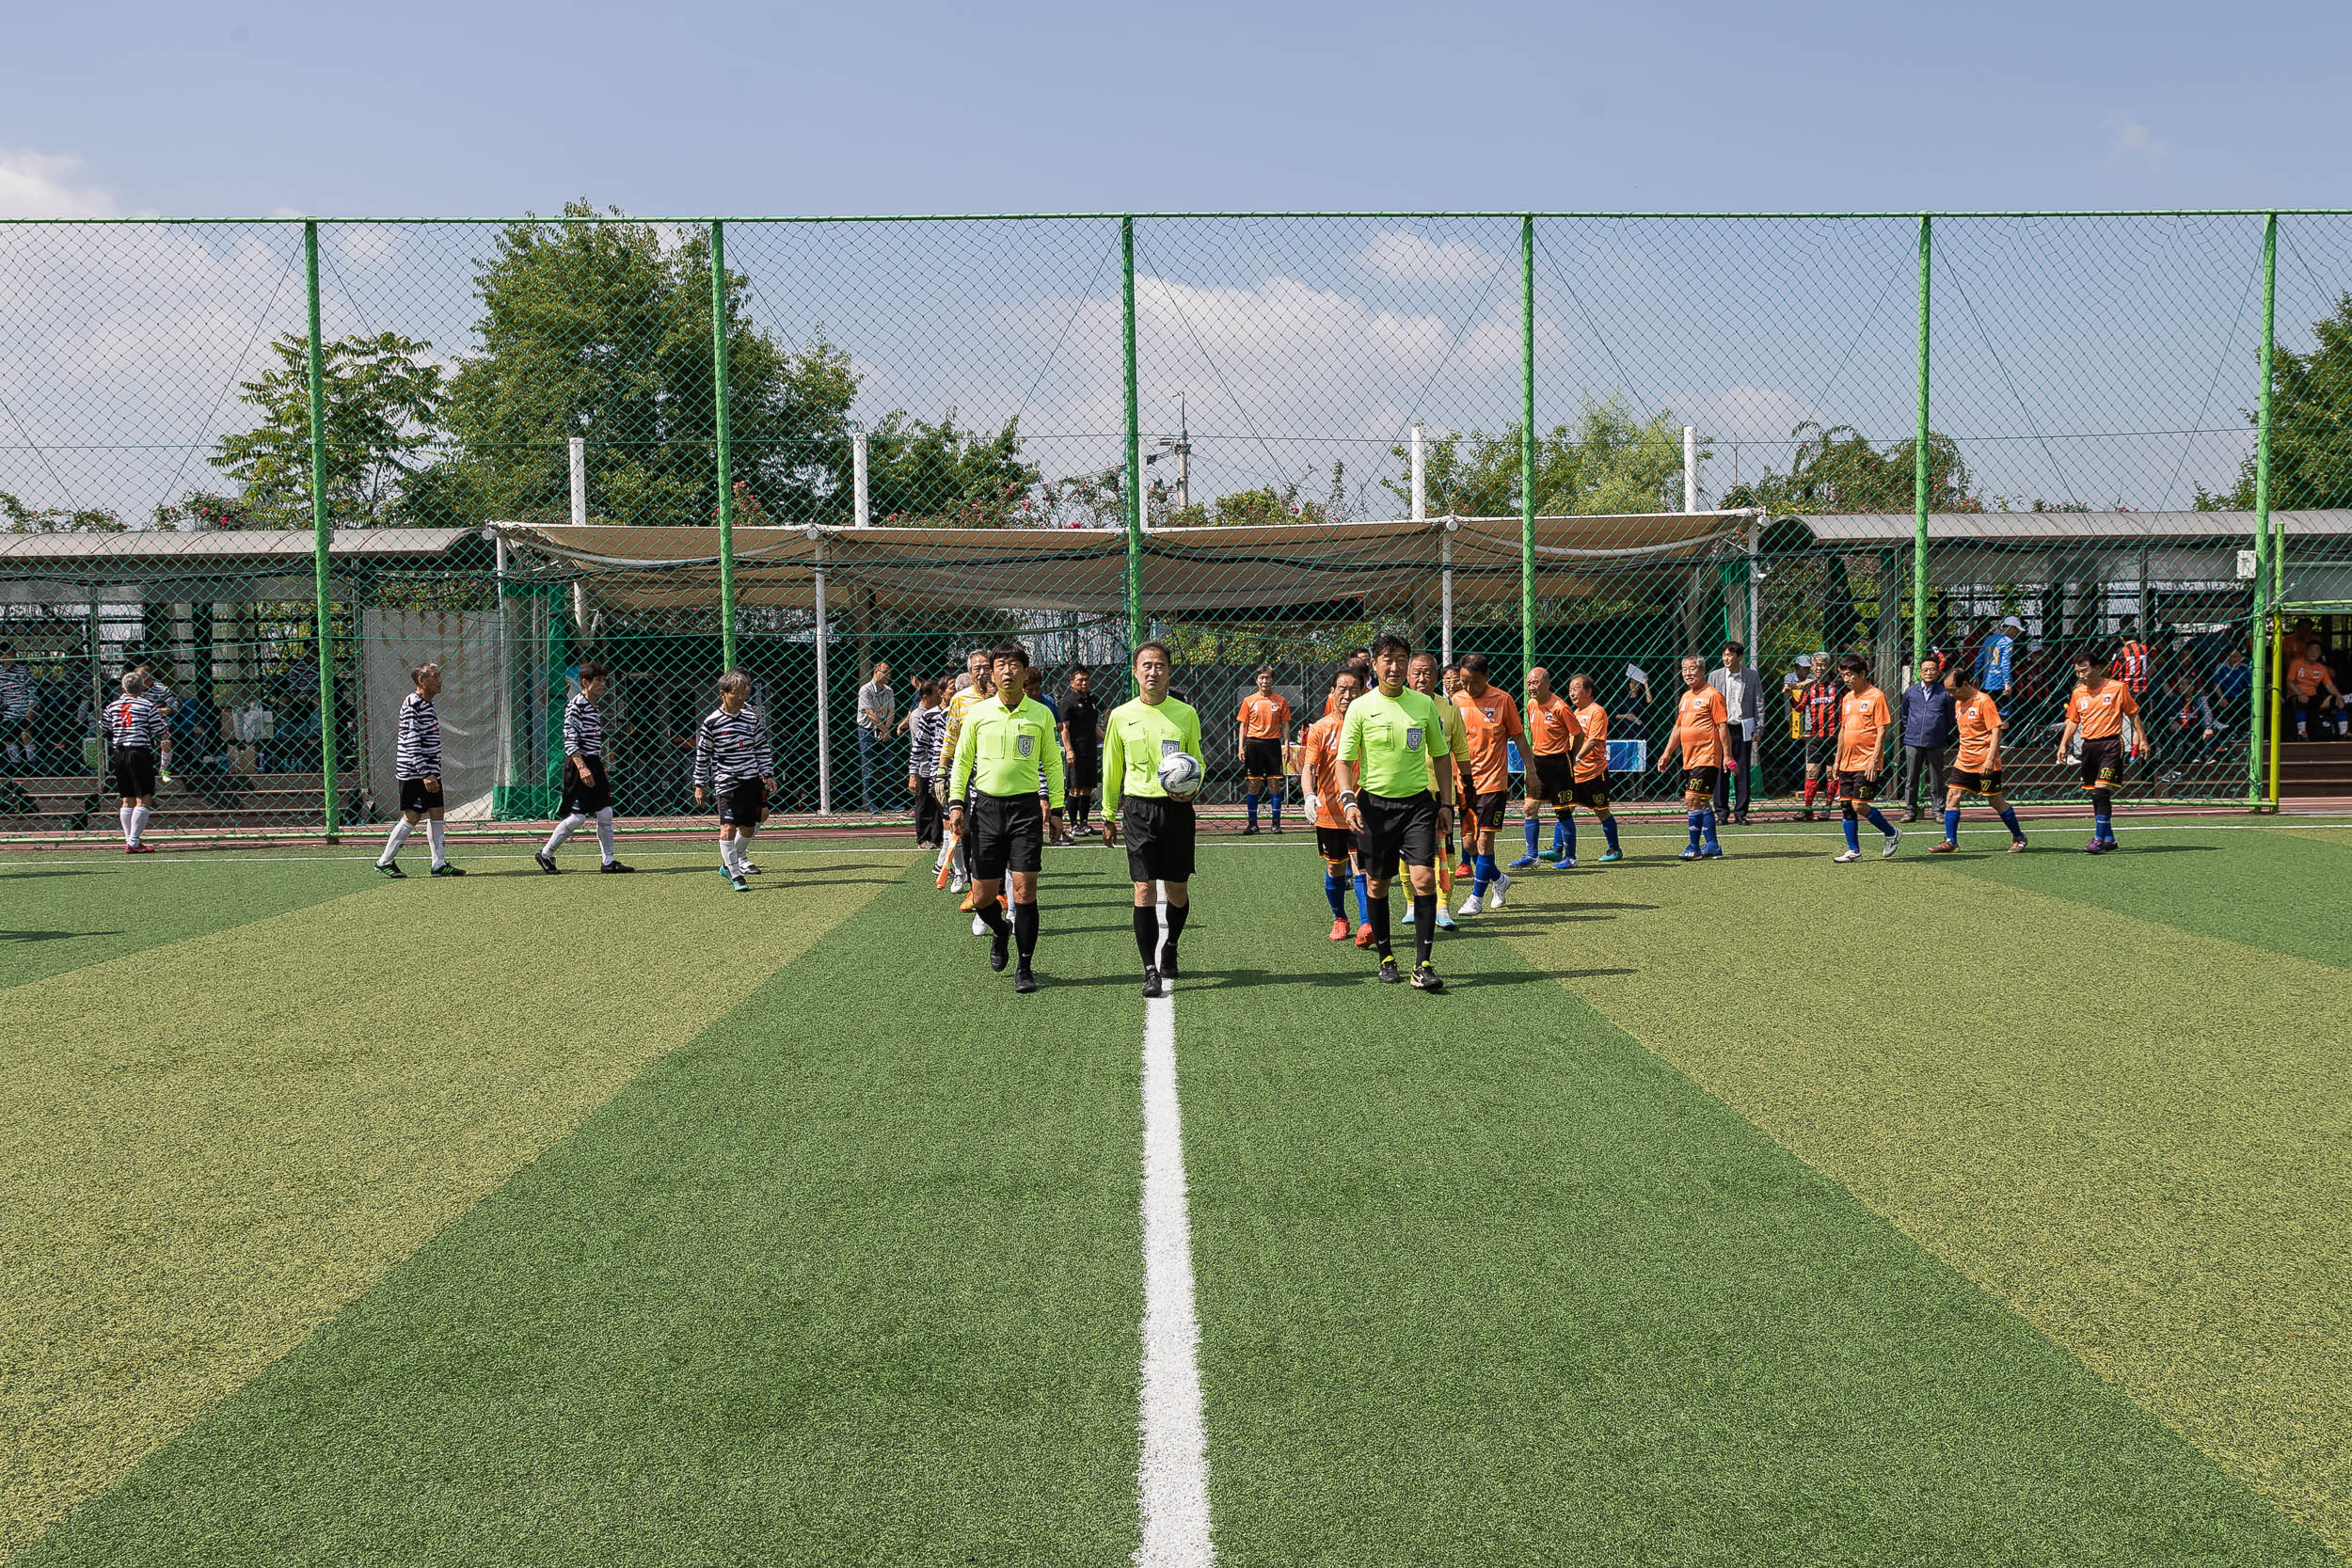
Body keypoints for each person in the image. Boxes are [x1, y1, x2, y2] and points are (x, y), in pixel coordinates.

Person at [1338, 632, 1453, 990]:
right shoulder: (1360, 706)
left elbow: (1441, 756)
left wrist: (1446, 803)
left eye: (1401, 659)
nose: (1395, 666)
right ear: (1374, 664)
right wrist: (1348, 799)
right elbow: (1345, 761)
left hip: (1418, 804)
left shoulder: (1424, 705)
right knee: (1377, 882)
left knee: (1423, 879)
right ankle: (1386, 956)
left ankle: (1424, 963)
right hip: (1373, 806)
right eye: (1387, 659)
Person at [948, 643, 1064, 993]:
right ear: (992, 673)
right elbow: (962, 761)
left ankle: (1025, 967)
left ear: (1025, 672)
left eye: (1014, 665)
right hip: (985, 811)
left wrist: (1056, 809)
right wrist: (956, 804)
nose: (1007, 671)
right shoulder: (978, 715)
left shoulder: (1041, 714)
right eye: (1001, 666)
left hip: (1025, 811)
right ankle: (1000, 932)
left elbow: (1053, 763)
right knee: (983, 897)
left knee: (1025, 890)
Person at [1101, 641, 1202, 997]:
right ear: (1135, 671)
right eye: (1146, 666)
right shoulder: (1120, 715)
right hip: (1138, 810)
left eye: (1159, 665)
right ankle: (1149, 969)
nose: (1153, 672)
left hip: (1176, 811)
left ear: (1168, 671)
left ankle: (1171, 943)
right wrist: (1108, 814)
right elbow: (1112, 768)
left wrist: (1191, 789)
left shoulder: (1186, 713)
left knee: (1176, 892)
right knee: (1143, 889)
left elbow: (1198, 762)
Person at [1443, 652, 1524, 914]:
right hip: (1464, 783)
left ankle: (1476, 898)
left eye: (1472, 682)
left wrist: (1531, 772)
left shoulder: (1503, 700)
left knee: (1484, 842)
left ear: (1486, 677)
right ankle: (1499, 880)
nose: (1467, 687)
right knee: (1468, 844)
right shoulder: (1455, 701)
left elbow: (1520, 738)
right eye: (1463, 681)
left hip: (1494, 782)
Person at [535, 661, 633, 874]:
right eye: (598, 681)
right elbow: (570, 741)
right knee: (578, 817)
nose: (602, 684)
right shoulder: (576, 705)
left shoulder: (594, 706)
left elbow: (593, 742)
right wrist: (583, 768)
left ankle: (608, 861)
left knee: (605, 812)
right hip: (579, 764)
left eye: (603, 680)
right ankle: (545, 853)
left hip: (594, 762)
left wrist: (599, 765)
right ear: (584, 683)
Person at [1300, 666, 1373, 946]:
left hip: (1361, 810)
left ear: (1363, 692)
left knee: (1361, 868)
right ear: (1332, 693)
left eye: (1353, 690)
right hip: (1329, 812)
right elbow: (1309, 768)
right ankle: (1340, 918)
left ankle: (1367, 924)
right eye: (1341, 689)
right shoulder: (1320, 728)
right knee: (1335, 869)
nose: (1347, 695)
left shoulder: (1369, 725)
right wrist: (1308, 795)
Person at [691, 669, 774, 892]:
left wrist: (767, 773)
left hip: (751, 780)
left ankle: (730, 863)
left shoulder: (751, 718)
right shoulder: (712, 722)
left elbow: (761, 748)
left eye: (743, 692)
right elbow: (702, 755)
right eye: (735, 693)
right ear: (723, 694)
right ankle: (735, 872)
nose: (741, 697)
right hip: (726, 782)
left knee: (748, 827)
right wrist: (699, 784)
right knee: (727, 827)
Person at [375, 662, 463, 879]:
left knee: (437, 812)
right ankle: (384, 861)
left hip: (430, 772)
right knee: (412, 815)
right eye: (435, 676)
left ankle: (439, 864)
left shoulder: (428, 704)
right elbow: (411, 741)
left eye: (439, 675)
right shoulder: (412, 704)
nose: (440, 680)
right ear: (421, 681)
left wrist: (432, 772)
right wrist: (424, 772)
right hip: (415, 773)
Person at [1931, 663, 2027, 853]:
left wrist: (1990, 760)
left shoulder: (1984, 701)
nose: (1951, 695)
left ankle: (2019, 837)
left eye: (1953, 690)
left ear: (1965, 684)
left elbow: (1996, 730)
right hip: (1964, 761)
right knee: (1952, 796)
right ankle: (1950, 841)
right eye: (1948, 690)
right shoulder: (1959, 703)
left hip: (1985, 762)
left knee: (1995, 801)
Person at [2056, 650, 2141, 854]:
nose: (2081, 675)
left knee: (2102, 791)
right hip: (2088, 747)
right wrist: (2063, 744)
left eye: (2084, 671)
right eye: (2077, 672)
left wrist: (2141, 738)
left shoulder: (2117, 688)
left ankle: (2098, 839)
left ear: (2096, 668)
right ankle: (2109, 838)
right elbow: (2073, 721)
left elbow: (2133, 713)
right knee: (2095, 794)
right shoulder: (2078, 693)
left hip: (2111, 745)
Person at [1404, 652, 1466, 930]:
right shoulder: (1398, 706)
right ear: (1407, 676)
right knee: (1404, 852)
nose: (1421, 678)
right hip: (1404, 791)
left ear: (1437, 677)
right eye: (1416, 672)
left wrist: (1468, 786)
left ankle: (1443, 906)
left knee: (1444, 849)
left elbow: (1461, 752)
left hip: (1439, 793)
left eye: (1427, 672)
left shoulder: (1449, 709)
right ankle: (1411, 904)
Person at [1654, 655, 1729, 860]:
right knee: (1703, 802)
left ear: (1702, 671)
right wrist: (1667, 753)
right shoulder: (1686, 697)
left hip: (1707, 757)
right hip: (1689, 758)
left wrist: (1727, 756)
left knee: (1691, 799)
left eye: (1692, 668)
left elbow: (1722, 725)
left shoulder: (1713, 696)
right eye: (1684, 669)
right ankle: (1713, 846)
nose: (1687, 673)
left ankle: (1694, 847)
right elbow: (1678, 726)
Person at [934, 647, 995, 897]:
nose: (982, 672)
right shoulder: (960, 700)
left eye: (986, 667)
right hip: (968, 771)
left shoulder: (1003, 696)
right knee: (967, 830)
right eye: (976, 668)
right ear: (969, 673)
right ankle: (972, 883)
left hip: (995, 771)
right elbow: (950, 736)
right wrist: (941, 770)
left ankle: (999, 888)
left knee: (993, 832)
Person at [1830, 654, 1901, 863]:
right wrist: (1837, 760)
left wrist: (1874, 759)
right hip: (1847, 761)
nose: (1847, 679)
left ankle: (1891, 832)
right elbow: (1843, 730)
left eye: (1851, 675)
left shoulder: (1876, 696)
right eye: (1843, 675)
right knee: (1845, 806)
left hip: (1866, 761)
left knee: (1859, 804)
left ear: (1862, 674)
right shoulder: (1847, 698)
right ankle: (1854, 852)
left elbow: (1882, 730)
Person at [1510, 665, 1581, 870]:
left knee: (1562, 812)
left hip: (1559, 763)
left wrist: (1571, 756)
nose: (1531, 687)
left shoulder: (1560, 707)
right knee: (1529, 808)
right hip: (1538, 762)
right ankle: (1532, 856)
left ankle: (1571, 857)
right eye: (1529, 683)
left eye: (1535, 682)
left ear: (1547, 684)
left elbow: (1578, 734)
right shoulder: (1531, 704)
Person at [102, 671, 167, 852]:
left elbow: (104, 727)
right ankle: (133, 841)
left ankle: (131, 841)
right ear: (143, 687)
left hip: (119, 753)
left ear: (123, 688)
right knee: (144, 797)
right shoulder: (147, 705)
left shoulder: (112, 706)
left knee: (126, 798)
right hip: (140, 753)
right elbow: (159, 729)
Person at [1562, 673, 1623, 865]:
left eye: (1576, 688)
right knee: (1564, 809)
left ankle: (1614, 849)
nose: (1572, 692)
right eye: (1570, 689)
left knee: (1602, 811)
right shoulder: (1574, 713)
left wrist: (1577, 757)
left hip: (1594, 772)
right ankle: (1557, 849)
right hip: (1575, 773)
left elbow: (1594, 740)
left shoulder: (1597, 711)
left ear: (1588, 691)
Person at [1708, 641, 1763, 824]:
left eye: (1730, 655)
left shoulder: (1751, 676)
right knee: (1720, 771)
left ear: (1739, 657)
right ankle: (1721, 812)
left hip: (1742, 727)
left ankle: (1741, 812)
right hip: (1721, 728)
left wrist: (1759, 727)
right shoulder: (1714, 676)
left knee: (1742, 770)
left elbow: (1759, 703)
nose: (1726, 658)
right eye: (1724, 655)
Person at [1898, 652, 1955, 823]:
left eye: (1932, 669)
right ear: (1920, 672)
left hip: (1935, 741)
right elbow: (1904, 714)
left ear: (1938, 672)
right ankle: (1910, 810)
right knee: (1911, 778)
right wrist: (1911, 730)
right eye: (1925, 670)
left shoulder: (1944, 693)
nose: (1928, 673)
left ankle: (1938, 810)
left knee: (1937, 778)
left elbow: (1950, 717)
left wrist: (1942, 733)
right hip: (1913, 740)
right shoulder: (1911, 692)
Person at [1235, 667, 1292, 834]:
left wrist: (1286, 746)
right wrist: (1241, 746)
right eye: (1261, 678)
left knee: (1274, 784)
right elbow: (1243, 724)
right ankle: (1253, 824)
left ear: (1272, 680)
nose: (1264, 681)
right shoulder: (1249, 700)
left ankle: (1276, 823)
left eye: (1267, 678)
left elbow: (1286, 724)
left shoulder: (1280, 701)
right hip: (1253, 745)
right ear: (1256, 680)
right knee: (1253, 785)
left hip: (1273, 745)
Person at [1797, 653, 1842, 820]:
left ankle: (1827, 808)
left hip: (1834, 736)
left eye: (1822, 664)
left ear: (1828, 666)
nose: (1819, 668)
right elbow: (1800, 708)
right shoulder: (1809, 688)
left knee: (1831, 774)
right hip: (1815, 737)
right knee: (1811, 773)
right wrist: (1791, 694)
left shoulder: (1838, 685)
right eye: (1816, 664)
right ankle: (1808, 808)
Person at [906, 680, 949, 847]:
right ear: (925, 697)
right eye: (935, 693)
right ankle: (923, 838)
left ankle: (936, 837)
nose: (939, 696)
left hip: (934, 766)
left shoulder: (940, 713)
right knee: (923, 805)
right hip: (925, 766)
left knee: (938, 805)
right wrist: (914, 773)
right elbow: (920, 744)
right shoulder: (919, 715)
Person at [1059, 665, 1101, 833]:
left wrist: (1110, 738)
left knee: (1087, 788)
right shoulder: (1068, 702)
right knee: (1075, 789)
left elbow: (1095, 726)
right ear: (1072, 683)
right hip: (1076, 753)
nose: (1084, 683)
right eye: (1080, 680)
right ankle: (1073, 825)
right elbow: (1064, 729)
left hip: (1090, 751)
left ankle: (1084, 824)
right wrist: (1069, 750)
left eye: (1086, 679)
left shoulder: (1092, 700)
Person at [856, 661, 895, 815]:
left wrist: (886, 729)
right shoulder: (865, 690)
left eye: (889, 672)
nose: (888, 675)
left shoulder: (889, 691)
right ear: (875, 672)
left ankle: (892, 803)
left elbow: (891, 711)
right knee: (869, 769)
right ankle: (872, 805)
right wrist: (884, 730)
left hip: (884, 729)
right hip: (867, 731)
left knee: (889, 768)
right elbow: (870, 713)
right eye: (885, 671)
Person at [2287, 641, 2344, 739]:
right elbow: (2289, 682)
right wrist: (2300, 694)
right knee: (2302, 701)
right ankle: (2302, 732)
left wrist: (2339, 695)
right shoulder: (2296, 663)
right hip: (2295, 697)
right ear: (2306, 651)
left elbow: (2329, 685)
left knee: (2337, 701)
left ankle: (2343, 733)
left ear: (2320, 653)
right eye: (2311, 650)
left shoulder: (2321, 668)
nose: (2313, 652)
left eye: (2317, 650)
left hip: (2313, 697)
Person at [1977, 614, 2021, 702]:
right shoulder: (2008, 641)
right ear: (2012, 628)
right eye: (2017, 630)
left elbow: (1979, 659)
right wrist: (2007, 683)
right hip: (2000, 683)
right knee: (2002, 712)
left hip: (1986, 682)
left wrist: (1976, 676)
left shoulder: (1989, 639)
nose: (2017, 633)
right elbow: (2005, 664)